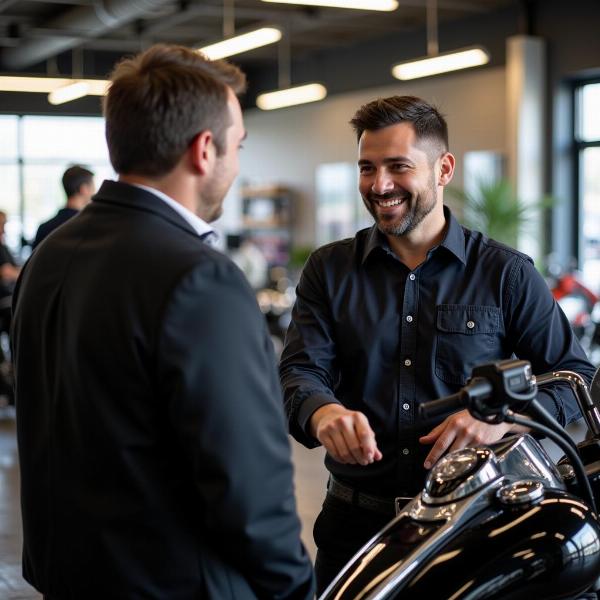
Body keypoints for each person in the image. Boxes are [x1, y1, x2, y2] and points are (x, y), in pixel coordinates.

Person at [12, 44, 314, 600]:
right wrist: (295, 588)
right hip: (172, 583)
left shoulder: (50, 254)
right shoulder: (200, 278)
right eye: (237, 146)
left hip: (68, 573)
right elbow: (248, 485)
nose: (236, 162)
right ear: (205, 150)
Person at [279, 95, 596, 594]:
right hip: (356, 527)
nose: (379, 185)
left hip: (473, 526)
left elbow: (573, 374)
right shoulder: (329, 269)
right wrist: (322, 413)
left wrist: (500, 419)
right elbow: (300, 370)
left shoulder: (505, 274)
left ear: (443, 168)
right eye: (367, 168)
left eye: (397, 166)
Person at [32, 165, 95, 249]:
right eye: (93, 188)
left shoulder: (44, 228)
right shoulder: (90, 228)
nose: (95, 192)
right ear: (84, 189)